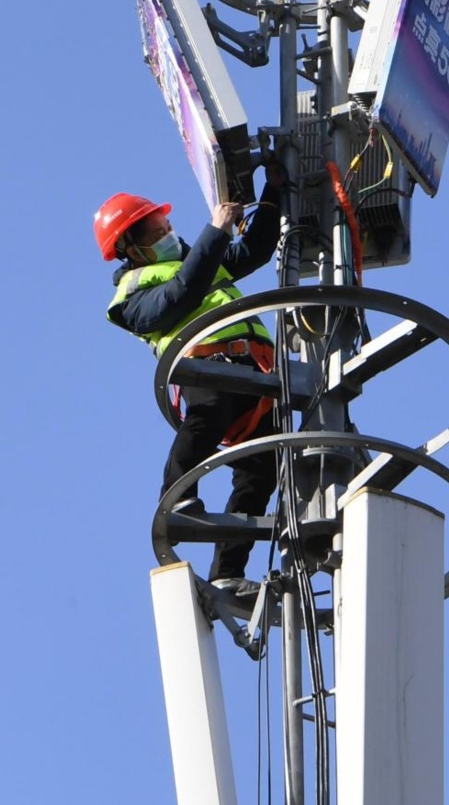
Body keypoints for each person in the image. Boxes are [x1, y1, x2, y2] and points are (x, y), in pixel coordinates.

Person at [93, 166, 286, 597]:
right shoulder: (132, 294)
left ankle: (227, 572)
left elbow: (251, 252)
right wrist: (214, 232)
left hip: (254, 377)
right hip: (207, 369)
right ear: (130, 250)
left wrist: (273, 192)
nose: (166, 234)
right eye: (153, 231)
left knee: (260, 472)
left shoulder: (194, 260)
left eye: (165, 226)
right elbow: (182, 294)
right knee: (206, 416)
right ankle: (178, 498)